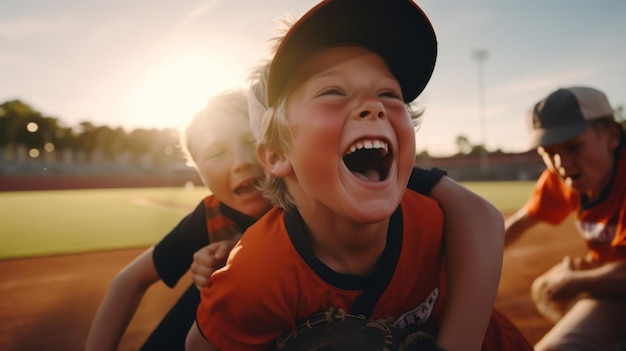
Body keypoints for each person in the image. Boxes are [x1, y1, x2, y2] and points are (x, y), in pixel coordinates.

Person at [187, 1, 532, 350]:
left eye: (388, 93)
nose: (374, 106)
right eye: (333, 91)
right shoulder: (256, 275)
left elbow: (482, 217)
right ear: (276, 155)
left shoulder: (437, 221)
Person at [85, 90, 273, 351]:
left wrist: (242, 250)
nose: (240, 161)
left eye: (251, 139)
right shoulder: (211, 214)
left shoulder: (309, 204)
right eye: (217, 153)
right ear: (200, 174)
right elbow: (128, 281)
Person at [504, 86, 626, 350]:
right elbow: (520, 223)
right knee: (545, 289)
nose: (561, 163)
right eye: (549, 152)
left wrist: (574, 281)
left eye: (573, 147)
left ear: (612, 136)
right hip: (614, 277)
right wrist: (447, 266)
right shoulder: (565, 178)